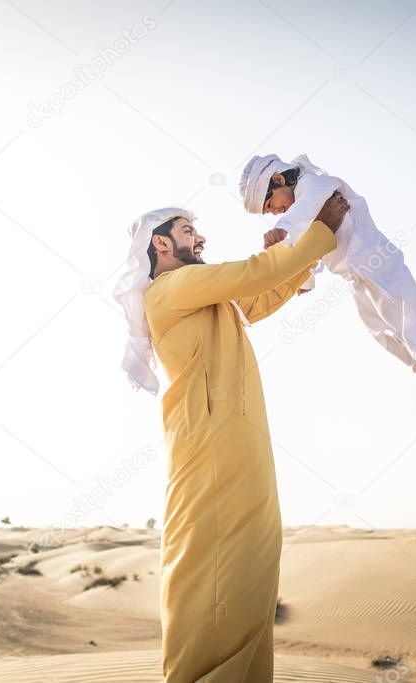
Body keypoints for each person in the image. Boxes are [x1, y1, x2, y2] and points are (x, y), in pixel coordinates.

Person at [113, 194, 350, 682]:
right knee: (209, 570)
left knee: (254, 569)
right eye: (187, 231)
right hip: (210, 450)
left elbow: (256, 296)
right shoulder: (170, 290)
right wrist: (317, 235)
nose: (199, 238)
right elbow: (249, 275)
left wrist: (291, 265)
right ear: (160, 242)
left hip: (244, 447)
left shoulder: (201, 292)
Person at [239, 153, 416, 431]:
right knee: (380, 330)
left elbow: (305, 211)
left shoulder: (313, 184)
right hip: (354, 275)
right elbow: (307, 242)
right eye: (270, 213)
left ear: (278, 179)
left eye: (270, 204)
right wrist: (306, 280)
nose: (275, 212)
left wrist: (281, 228)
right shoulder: (300, 208)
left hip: (374, 258)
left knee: (401, 309)